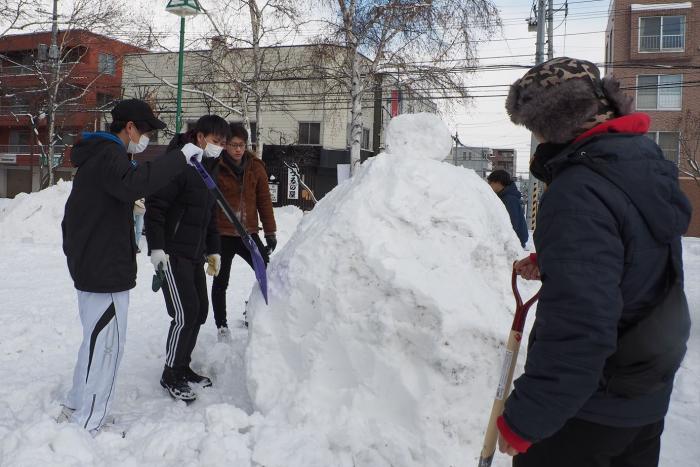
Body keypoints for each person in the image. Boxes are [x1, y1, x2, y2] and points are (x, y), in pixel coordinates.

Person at [496, 57, 692, 467]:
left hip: (586, 414)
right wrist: (554, 257)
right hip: (643, 398)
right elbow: (633, 259)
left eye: (533, 126)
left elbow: (580, 324)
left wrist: (529, 419)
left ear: (553, 123)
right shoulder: (642, 166)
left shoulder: (577, 192)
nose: (533, 136)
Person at [60, 99, 198, 435]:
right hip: (103, 269)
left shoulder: (102, 158)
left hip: (95, 265)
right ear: (130, 127)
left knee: (95, 340)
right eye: (147, 130)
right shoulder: (110, 156)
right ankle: (89, 424)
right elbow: (136, 184)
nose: (148, 137)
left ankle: (79, 404)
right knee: (108, 346)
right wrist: (180, 158)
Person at [145, 115, 229, 401]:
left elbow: (210, 216)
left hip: (193, 254)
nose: (220, 147)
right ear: (201, 137)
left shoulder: (209, 168)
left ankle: (183, 366)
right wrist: (157, 249)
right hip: (171, 253)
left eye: (223, 143)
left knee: (200, 311)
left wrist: (213, 249)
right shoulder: (178, 164)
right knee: (184, 314)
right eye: (216, 141)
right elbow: (155, 208)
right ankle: (170, 373)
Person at [211, 123, 276, 340]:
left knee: (266, 272)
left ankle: (260, 312)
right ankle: (221, 325)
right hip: (223, 233)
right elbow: (209, 203)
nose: (238, 149)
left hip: (248, 233)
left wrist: (270, 233)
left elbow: (264, 201)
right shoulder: (216, 166)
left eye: (241, 145)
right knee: (221, 281)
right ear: (225, 145)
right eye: (233, 145)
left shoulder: (255, 167)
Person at [487, 169, 528, 248]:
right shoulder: (506, 196)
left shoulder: (509, 199)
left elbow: (512, 223)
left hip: (514, 244)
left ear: (498, 182)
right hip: (514, 242)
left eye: (490, 183)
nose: (489, 186)